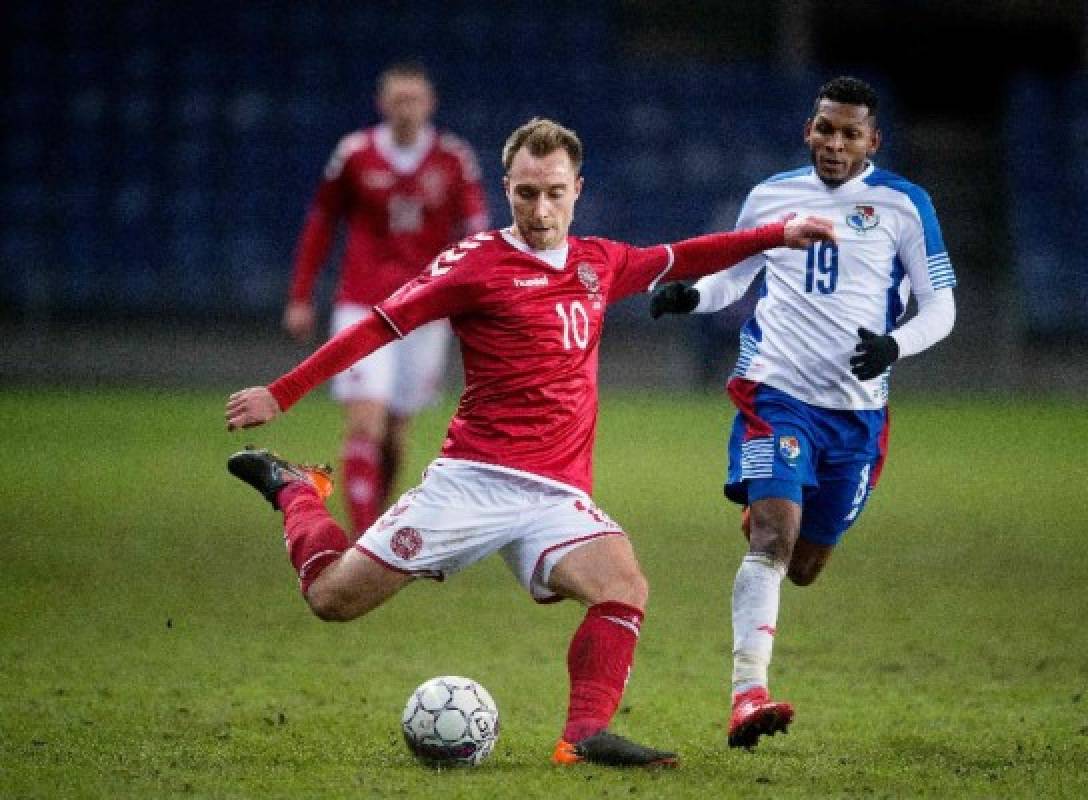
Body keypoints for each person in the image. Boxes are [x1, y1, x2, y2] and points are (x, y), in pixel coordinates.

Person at [225, 118, 837, 767]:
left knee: (623, 586)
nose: (540, 209)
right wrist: (284, 392)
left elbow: (685, 256)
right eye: (525, 194)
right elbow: (381, 324)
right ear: (507, 189)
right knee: (331, 600)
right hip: (471, 482)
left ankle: (584, 734)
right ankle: (297, 492)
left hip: (555, 495)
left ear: (577, 188)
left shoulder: (601, 261)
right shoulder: (476, 263)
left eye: (553, 193)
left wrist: (777, 235)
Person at [650, 76, 958, 749]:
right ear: (808, 130)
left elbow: (943, 306)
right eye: (825, 128)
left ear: (873, 140)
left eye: (851, 133)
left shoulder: (905, 206)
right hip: (775, 395)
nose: (835, 143)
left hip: (855, 418)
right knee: (772, 542)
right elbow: (733, 275)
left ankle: (774, 502)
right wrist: (690, 299)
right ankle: (746, 696)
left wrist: (893, 346)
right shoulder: (771, 196)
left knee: (805, 566)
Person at [284, 62, 490, 534]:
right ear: (382, 104)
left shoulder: (453, 159)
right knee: (365, 422)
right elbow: (321, 223)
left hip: (425, 310)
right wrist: (301, 295)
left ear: (430, 104)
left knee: (395, 434)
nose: (406, 109)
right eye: (398, 100)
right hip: (363, 304)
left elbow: (476, 231)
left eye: (414, 99)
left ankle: (375, 516)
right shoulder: (354, 155)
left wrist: (475, 296)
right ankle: (364, 538)